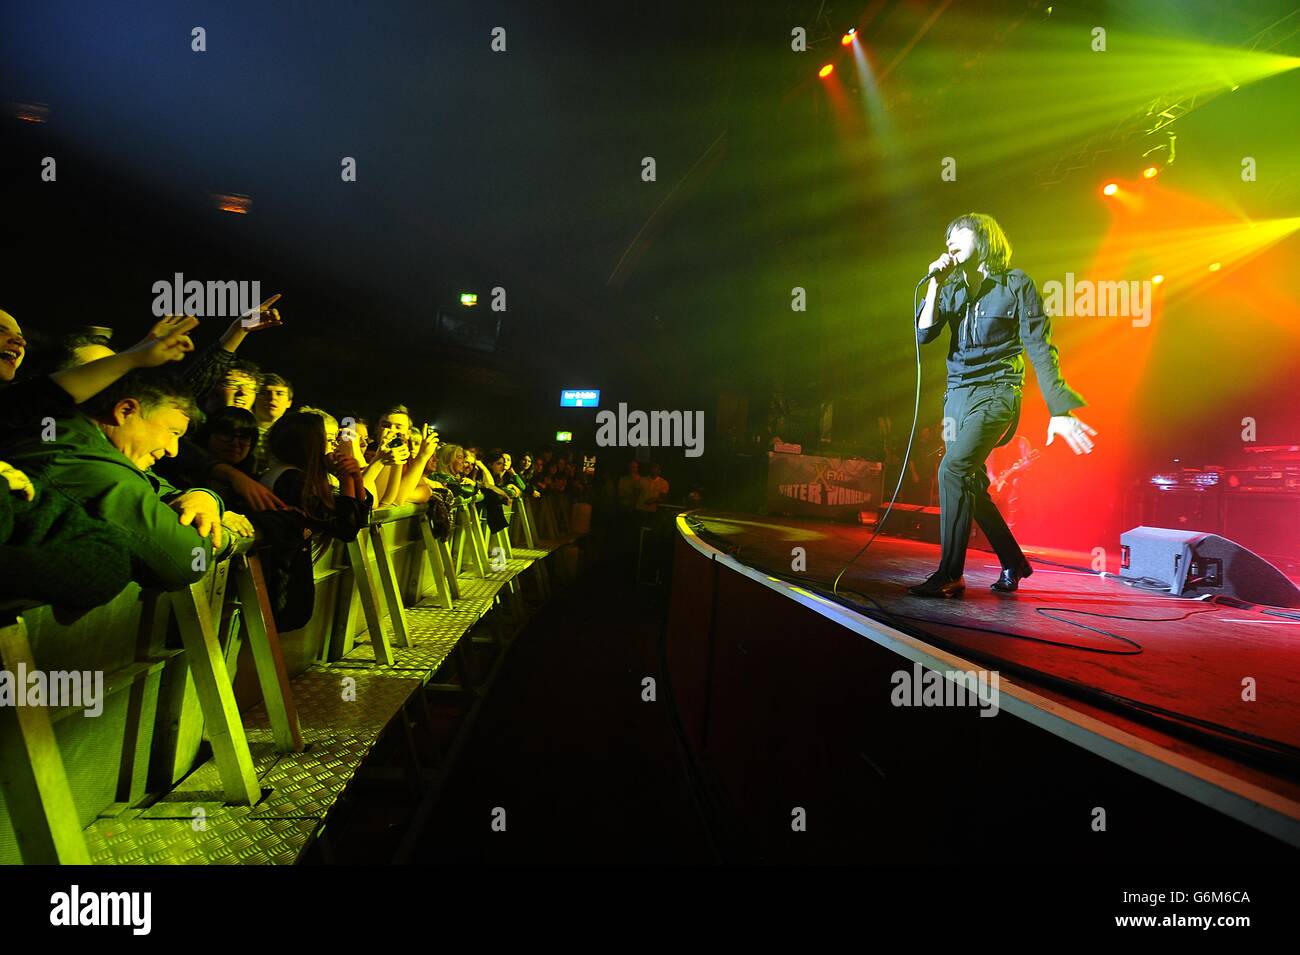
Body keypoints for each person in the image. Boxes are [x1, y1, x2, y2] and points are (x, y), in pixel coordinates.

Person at [910, 212, 1097, 598]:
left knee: (952, 470)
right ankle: (1014, 561)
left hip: (997, 393)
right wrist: (933, 283)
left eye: (958, 234)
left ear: (985, 238)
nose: (950, 242)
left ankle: (950, 574)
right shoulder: (952, 288)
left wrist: (1058, 408)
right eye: (946, 237)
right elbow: (925, 333)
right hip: (957, 396)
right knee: (970, 485)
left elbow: (1040, 345)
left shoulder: (1016, 284)